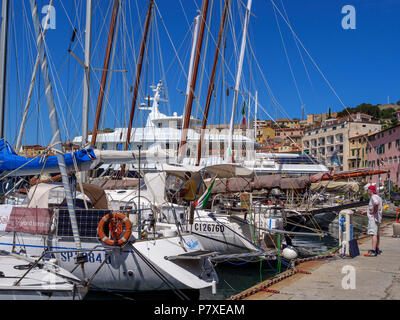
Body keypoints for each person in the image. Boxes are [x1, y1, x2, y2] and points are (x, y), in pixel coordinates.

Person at [361, 185, 383, 257]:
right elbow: (375, 205)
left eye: (368, 190)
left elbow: (376, 204)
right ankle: (376, 249)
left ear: (370, 191)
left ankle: (373, 251)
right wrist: (366, 211)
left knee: (373, 234)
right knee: (377, 234)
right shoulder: (378, 197)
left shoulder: (373, 197)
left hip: (373, 218)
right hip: (378, 218)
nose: (367, 191)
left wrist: (373, 211)